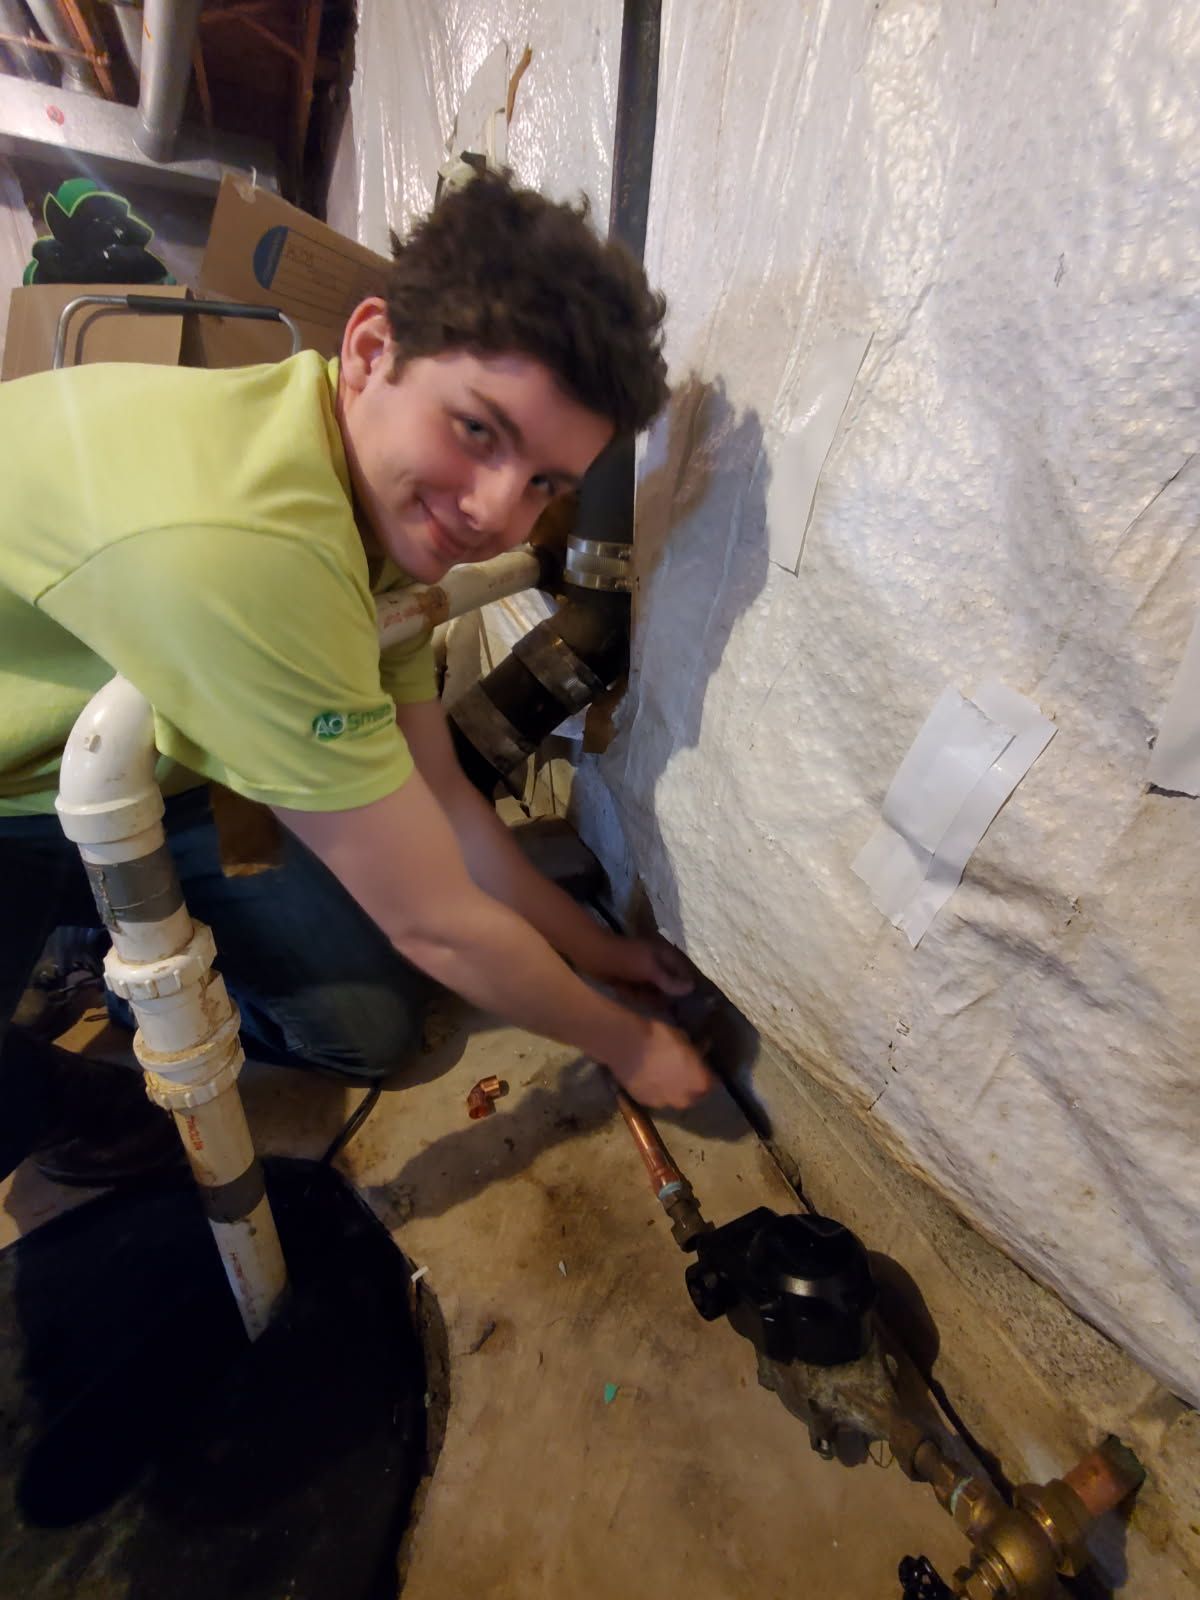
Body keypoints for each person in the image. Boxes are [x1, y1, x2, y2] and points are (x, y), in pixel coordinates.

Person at [0, 171, 713, 1187]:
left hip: (138, 766)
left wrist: (595, 954)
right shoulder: (255, 547)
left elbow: (446, 801)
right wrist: (628, 1042)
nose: (498, 513)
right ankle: (84, 1085)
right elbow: (431, 917)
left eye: (548, 482)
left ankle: (103, 959)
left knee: (370, 1027)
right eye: (477, 430)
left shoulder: (364, 507)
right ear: (373, 351)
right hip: (15, 782)